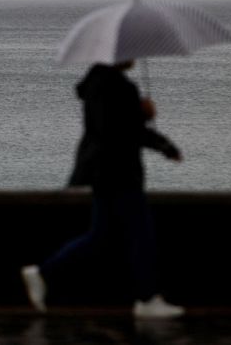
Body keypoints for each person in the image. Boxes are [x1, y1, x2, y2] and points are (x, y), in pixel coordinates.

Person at [21, 61, 185, 318]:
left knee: (101, 236)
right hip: (119, 172)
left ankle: (44, 273)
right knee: (141, 235)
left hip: (102, 172)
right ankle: (147, 299)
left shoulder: (98, 83)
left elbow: (112, 127)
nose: (133, 58)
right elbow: (120, 131)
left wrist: (143, 118)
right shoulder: (117, 86)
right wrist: (150, 124)